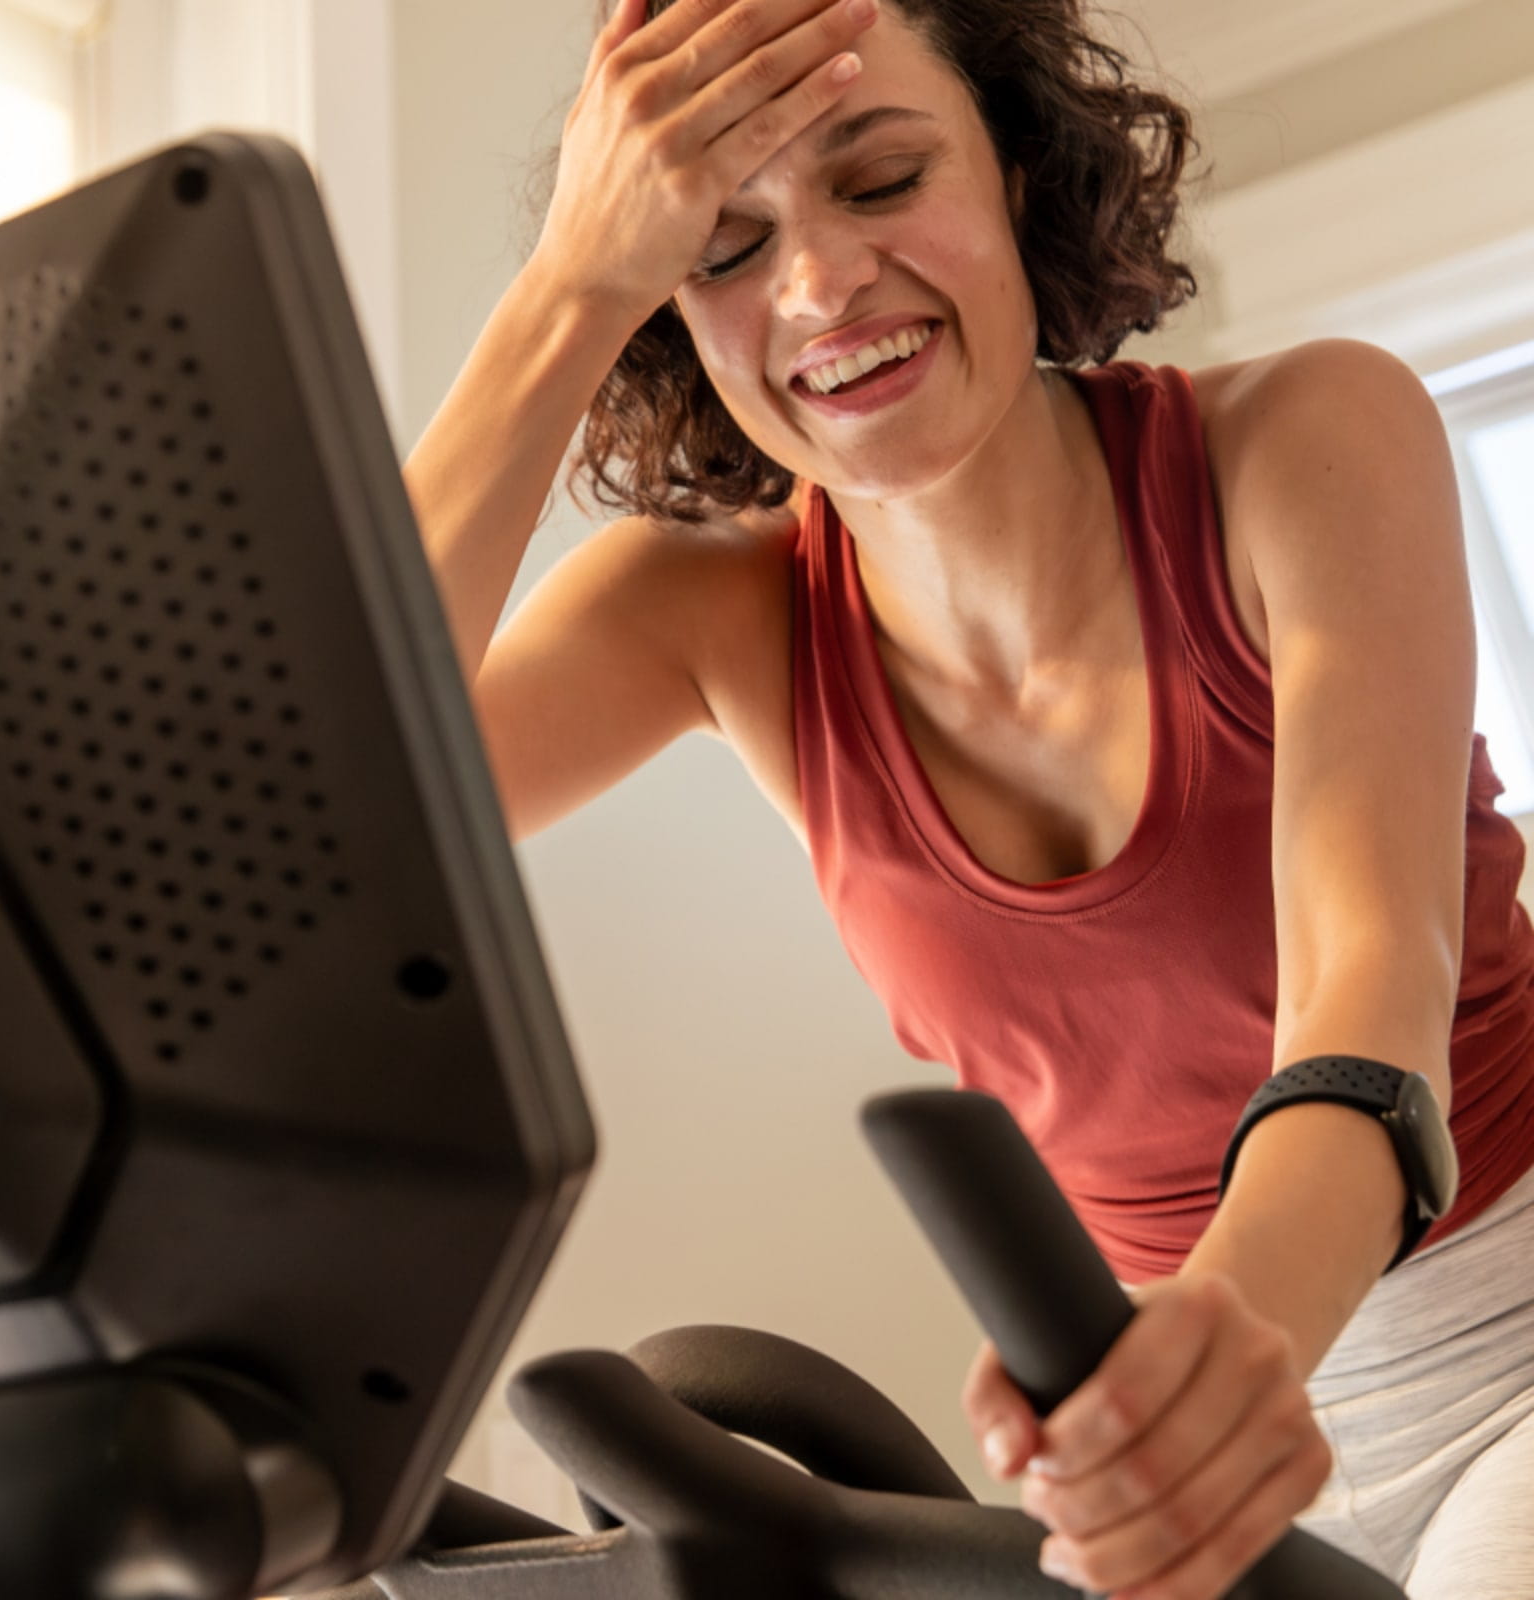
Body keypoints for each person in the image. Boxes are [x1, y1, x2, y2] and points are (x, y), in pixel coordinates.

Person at [403, 0, 1534, 1593]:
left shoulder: (1308, 439)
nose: (819, 286)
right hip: (1179, 1404)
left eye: (881, 181)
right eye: (721, 246)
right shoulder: (708, 613)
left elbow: (1370, 985)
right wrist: (571, 283)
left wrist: (1213, 1360)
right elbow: (317, 815)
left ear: (1014, 168)